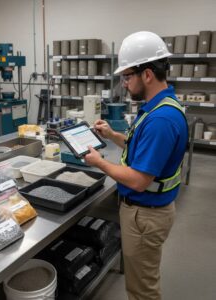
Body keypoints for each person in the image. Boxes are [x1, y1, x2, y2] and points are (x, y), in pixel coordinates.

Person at [84, 31, 189, 300]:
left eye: (127, 77)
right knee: (141, 281)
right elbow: (140, 150)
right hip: (148, 212)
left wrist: (99, 162)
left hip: (145, 216)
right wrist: (112, 135)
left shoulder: (160, 120)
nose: (125, 84)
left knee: (142, 290)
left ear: (147, 75)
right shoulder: (158, 107)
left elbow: (139, 179)